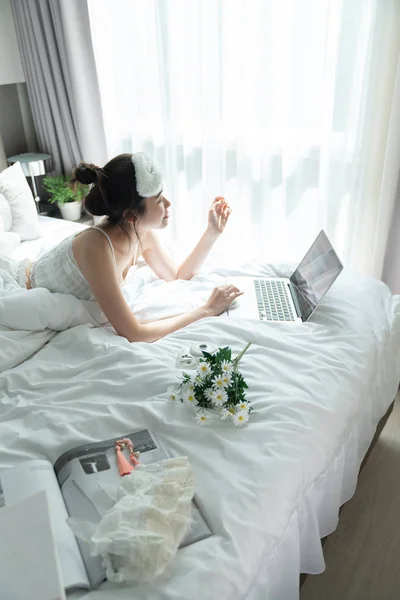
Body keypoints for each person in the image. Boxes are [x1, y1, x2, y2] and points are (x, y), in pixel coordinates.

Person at [24, 152, 243, 342]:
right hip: (28, 288)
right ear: (131, 215)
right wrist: (206, 311)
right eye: (158, 200)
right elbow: (133, 333)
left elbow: (175, 275)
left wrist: (211, 233)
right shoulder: (97, 246)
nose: (167, 204)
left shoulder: (141, 233)